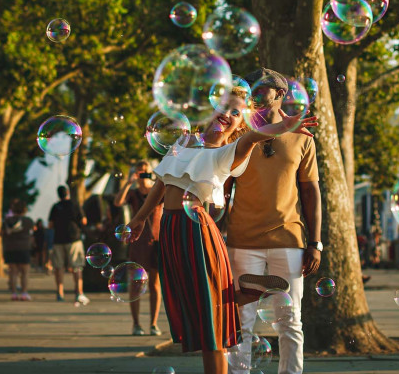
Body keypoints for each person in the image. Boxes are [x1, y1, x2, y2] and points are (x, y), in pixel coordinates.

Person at [128, 86, 317, 374]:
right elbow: (162, 182)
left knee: (210, 316)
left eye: (236, 112)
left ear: (242, 123)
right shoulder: (185, 141)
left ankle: (246, 293)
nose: (226, 114)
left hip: (196, 229)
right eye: (224, 106)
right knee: (196, 304)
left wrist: (286, 124)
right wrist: (140, 218)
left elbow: (256, 136)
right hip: (171, 229)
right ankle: (247, 291)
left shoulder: (231, 152)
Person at [225, 68, 323, 374]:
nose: (253, 91)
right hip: (242, 242)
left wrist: (315, 243)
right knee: (242, 323)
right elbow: (222, 188)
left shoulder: (302, 137)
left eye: (261, 87)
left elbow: (311, 193)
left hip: (288, 241)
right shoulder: (237, 134)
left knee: (290, 322)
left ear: (280, 94)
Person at [114, 160, 164, 336]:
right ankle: (136, 324)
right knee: (136, 285)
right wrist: (128, 183)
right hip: (137, 243)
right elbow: (117, 202)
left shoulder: (158, 192)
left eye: (145, 171)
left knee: (155, 285)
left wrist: (158, 180)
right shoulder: (133, 193)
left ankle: (153, 323)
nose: (142, 174)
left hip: (157, 241)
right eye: (139, 172)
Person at [48, 185, 88, 304]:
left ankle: (60, 293)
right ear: (68, 193)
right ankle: (79, 292)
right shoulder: (75, 205)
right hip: (74, 239)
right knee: (77, 266)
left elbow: (50, 224)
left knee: (59, 267)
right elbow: (84, 220)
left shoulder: (55, 207)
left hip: (58, 239)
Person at [2, 198, 35, 301]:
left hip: (10, 248)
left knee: (13, 272)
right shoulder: (28, 221)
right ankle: (24, 293)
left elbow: (1, 233)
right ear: (24, 209)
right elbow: (32, 233)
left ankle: (14, 294)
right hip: (24, 248)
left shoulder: (7, 221)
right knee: (25, 272)